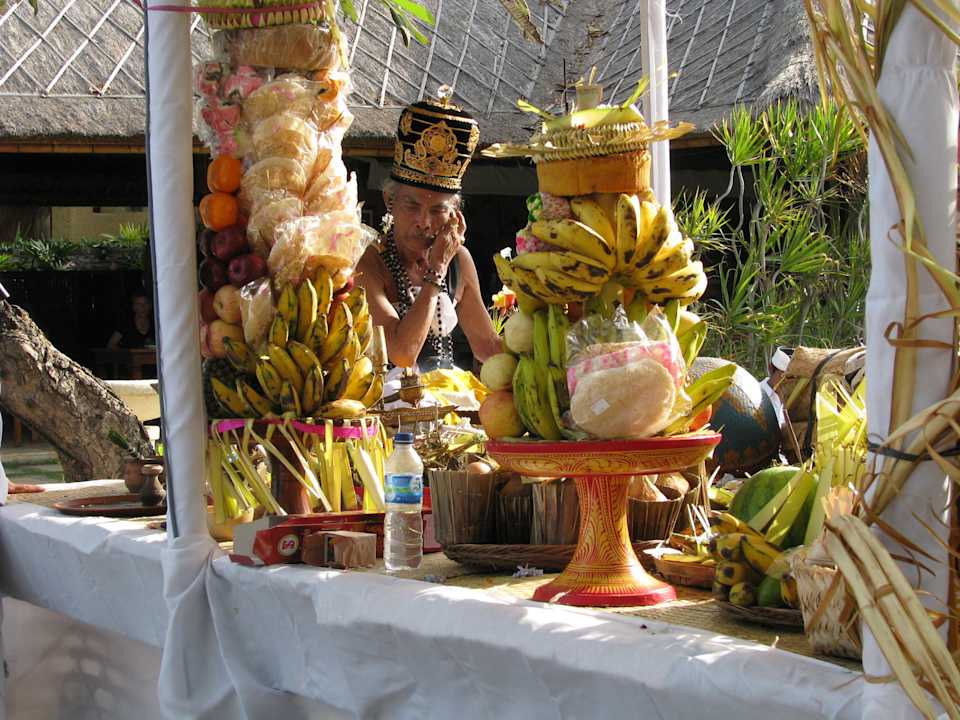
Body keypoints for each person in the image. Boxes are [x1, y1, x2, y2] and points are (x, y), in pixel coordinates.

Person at [356, 88, 503, 374]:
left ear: (454, 215)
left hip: (446, 401)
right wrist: (436, 270)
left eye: (438, 210)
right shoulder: (370, 264)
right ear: (390, 201)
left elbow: (486, 347)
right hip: (387, 407)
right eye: (412, 206)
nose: (424, 222)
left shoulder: (458, 259)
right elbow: (401, 354)